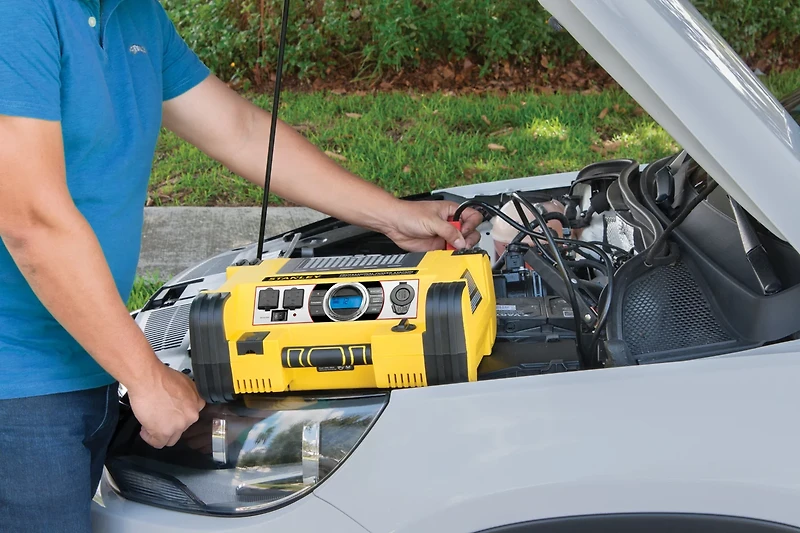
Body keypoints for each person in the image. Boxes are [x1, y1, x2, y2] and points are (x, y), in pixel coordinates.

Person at [0, 1, 481, 530]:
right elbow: (29, 219)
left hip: (85, 356)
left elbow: (240, 131)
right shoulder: (19, 14)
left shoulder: (135, 15)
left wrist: (392, 216)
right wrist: (145, 377)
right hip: (17, 388)